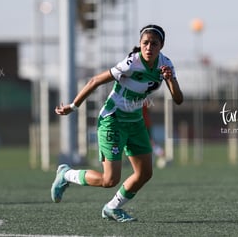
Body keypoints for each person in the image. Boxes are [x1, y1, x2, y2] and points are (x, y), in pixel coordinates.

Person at [51, 24, 183, 222]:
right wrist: (73, 106)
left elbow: (179, 99)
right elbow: (94, 81)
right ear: (140, 44)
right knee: (109, 180)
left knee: (145, 173)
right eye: (145, 43)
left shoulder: (166, 65)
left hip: (135, 122)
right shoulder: (132, 63)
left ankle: (112, 208)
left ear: (161, 46)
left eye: (154, 44)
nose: (149, 47)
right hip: (112, 121)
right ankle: (66, 174)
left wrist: (170, 79)